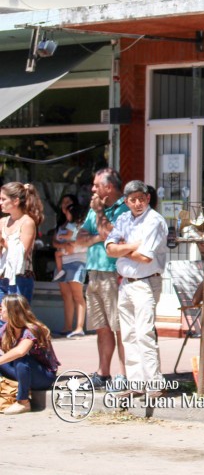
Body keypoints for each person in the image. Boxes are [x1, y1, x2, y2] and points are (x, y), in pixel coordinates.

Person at [105, 181, 169, 394]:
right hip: (126, 282)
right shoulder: (123, 218)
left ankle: (154, 384)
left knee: (144, 333)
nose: (138, 203)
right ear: (126, 201)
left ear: (148, 198)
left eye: (141, 198)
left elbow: (145, 257)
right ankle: (136, 384)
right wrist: (133, 245)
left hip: (146, 281)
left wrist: (121, 249)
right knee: (128, 335)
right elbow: (109, 248)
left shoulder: (154, 220)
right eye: (133, 200)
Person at [73, 168, 129, 390]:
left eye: (96, 185)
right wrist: (100, 235)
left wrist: (99, 218)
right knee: (101, 327)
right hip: (94, 271)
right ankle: (103, 373)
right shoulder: (96, 209)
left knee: (119, 327)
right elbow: (80, 239)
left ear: (109, 187)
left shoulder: (124, 208)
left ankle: (124, 376)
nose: (93, 189)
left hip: (113, 273)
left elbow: (114, 236)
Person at [0, 294, 60, 415]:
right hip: (20, 372)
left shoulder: (32, 329)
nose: (0, 311)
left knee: (21, 360)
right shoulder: (6, 328)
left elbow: (20, 351)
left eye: (2, 308)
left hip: (42, 376)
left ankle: (23, 402)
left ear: (12, 311)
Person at [0, 182, 44, 304]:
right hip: (2, 277)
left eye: (3, 199)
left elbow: (21, 254)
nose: (0, 202)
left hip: (20, 277)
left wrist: (3, 242)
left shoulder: (27, 222)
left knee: (17, 320)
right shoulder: (2, 221)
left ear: (16, 201)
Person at [52, 194, 88, 338]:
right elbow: (55, 241)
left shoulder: (81, 226)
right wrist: (63, 244)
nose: (65, 207)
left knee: (77, 295)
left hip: (77, 262)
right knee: (66, 295)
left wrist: (67, 244)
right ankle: (67, 327)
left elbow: (81, 242)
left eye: (68, 204)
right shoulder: (62, 226)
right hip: (63, 262)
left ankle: (79, 327)